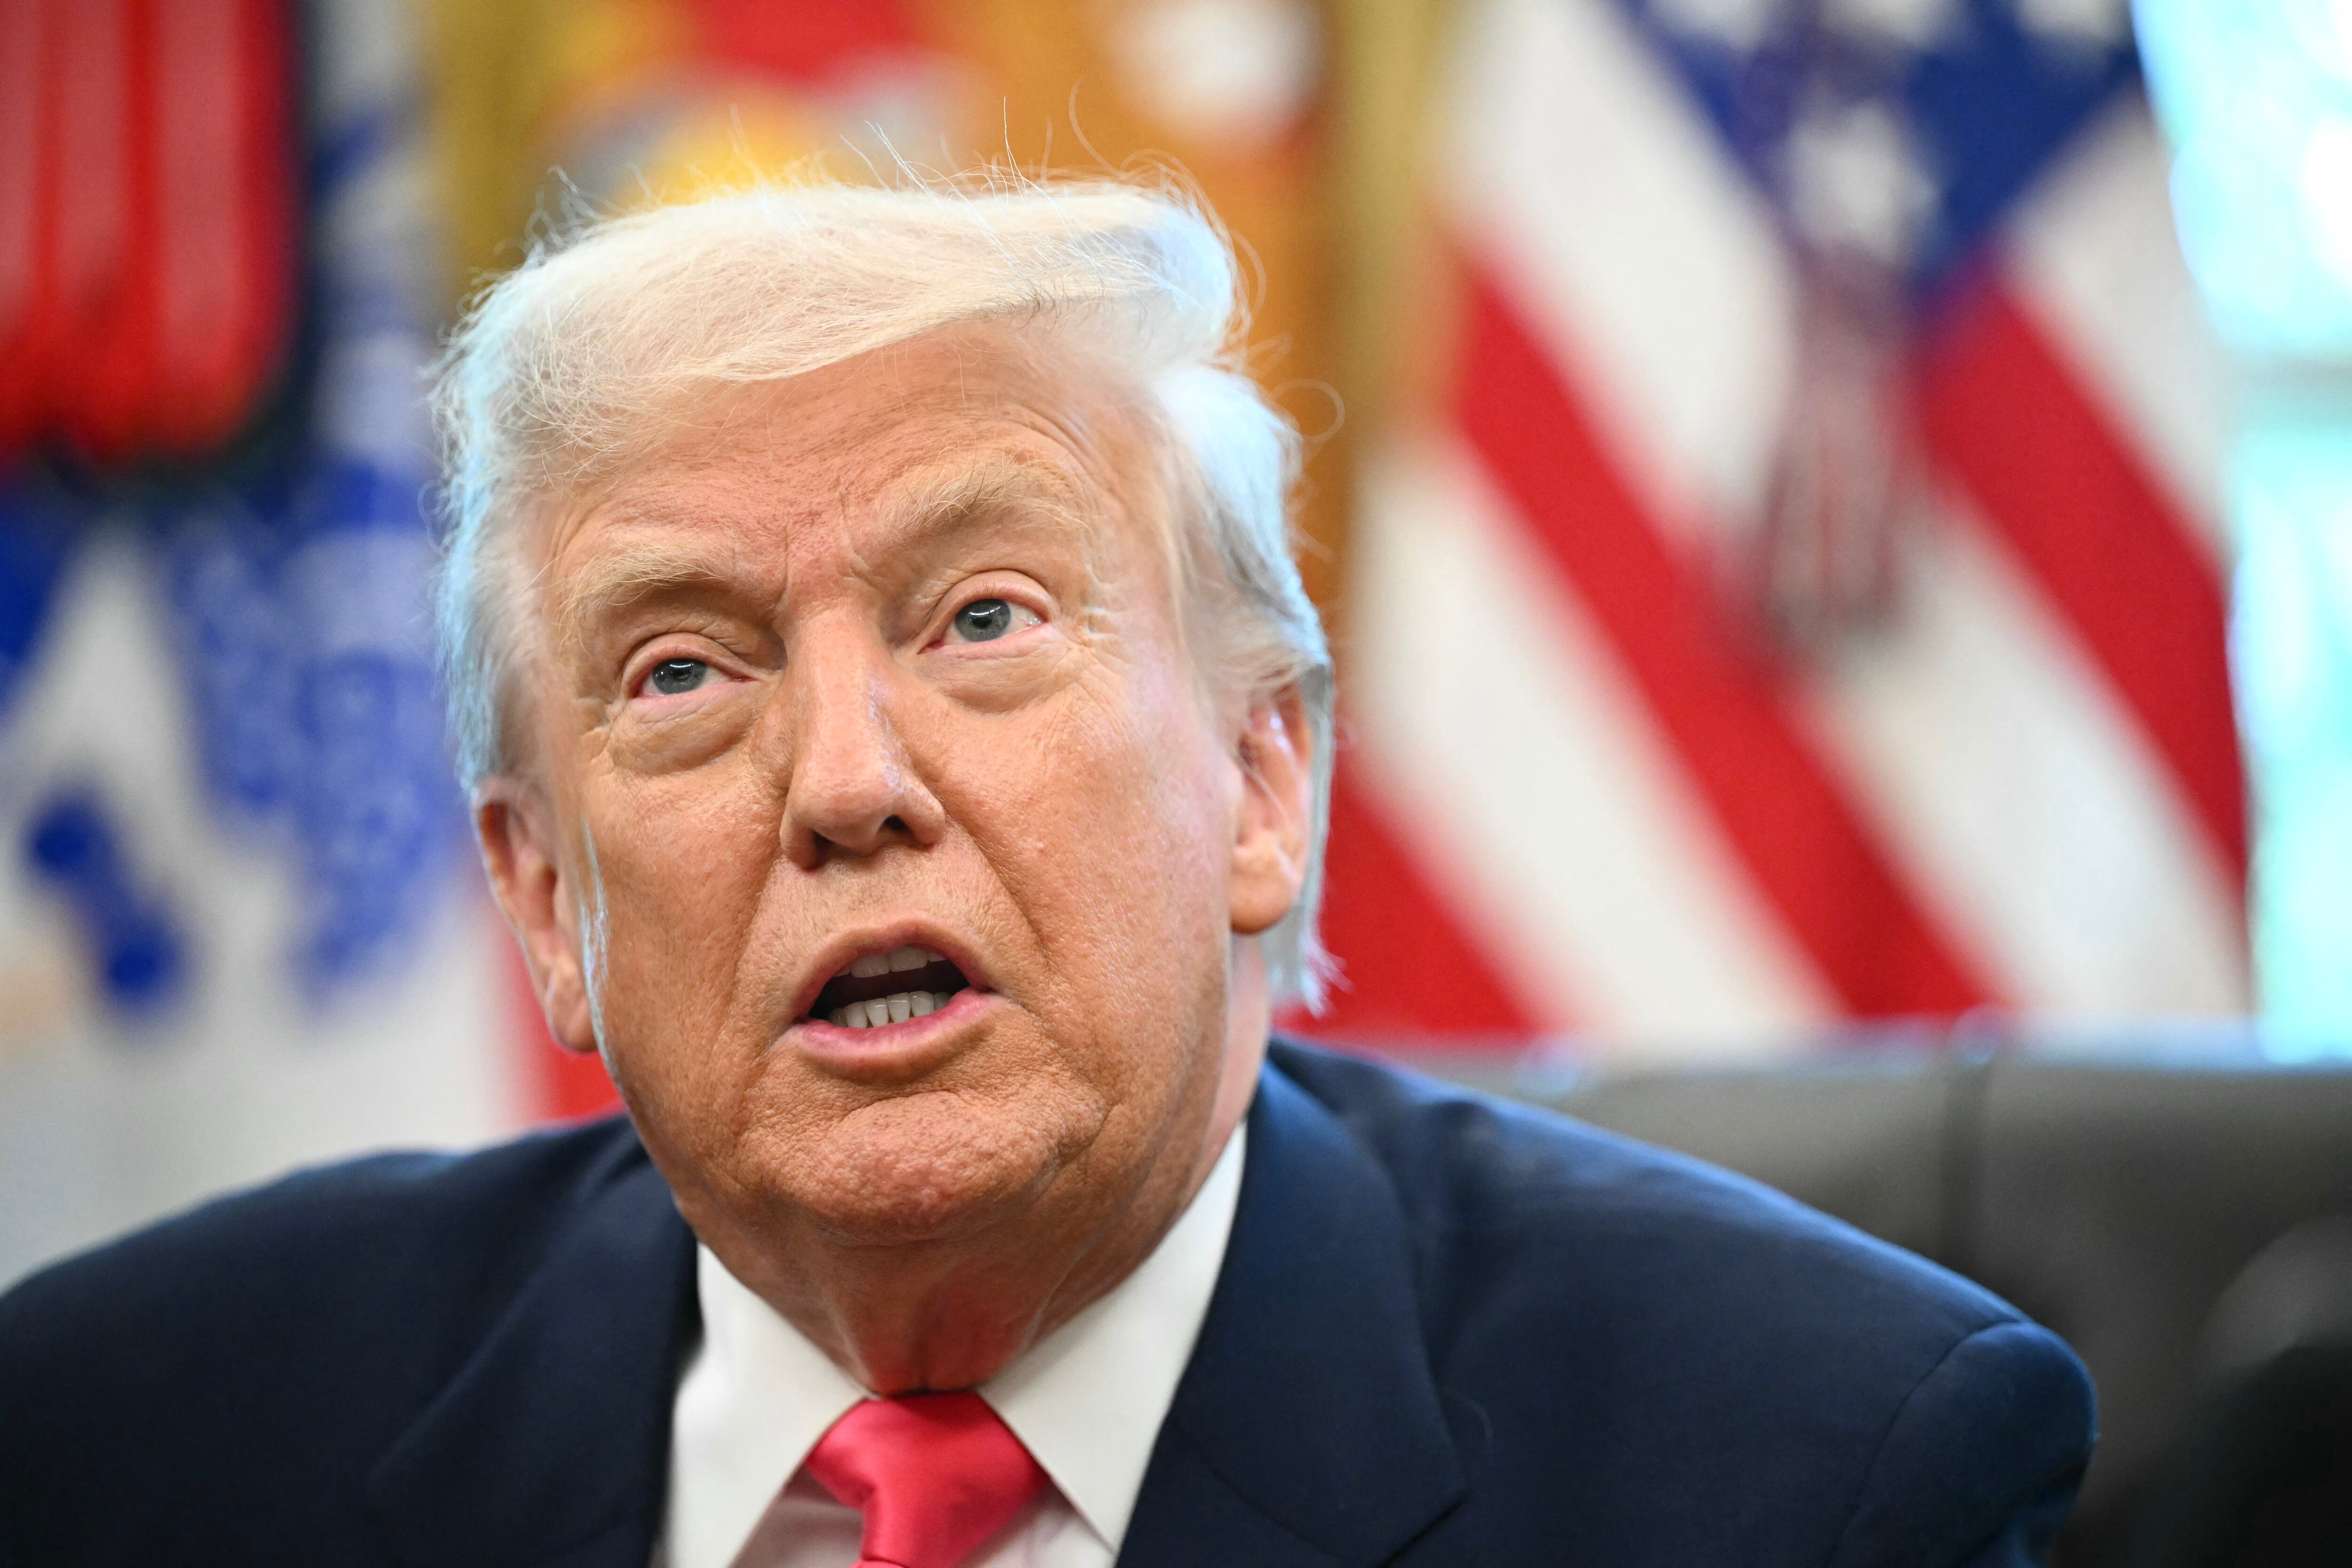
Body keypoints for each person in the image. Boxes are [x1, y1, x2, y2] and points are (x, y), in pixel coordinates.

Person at [0, 181, 2093, 1568]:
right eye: (680, 669)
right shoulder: (130, 1449)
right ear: (548, 904)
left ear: (1263, 777)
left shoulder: (1815, 1483)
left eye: (982, 618)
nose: (845, 781)